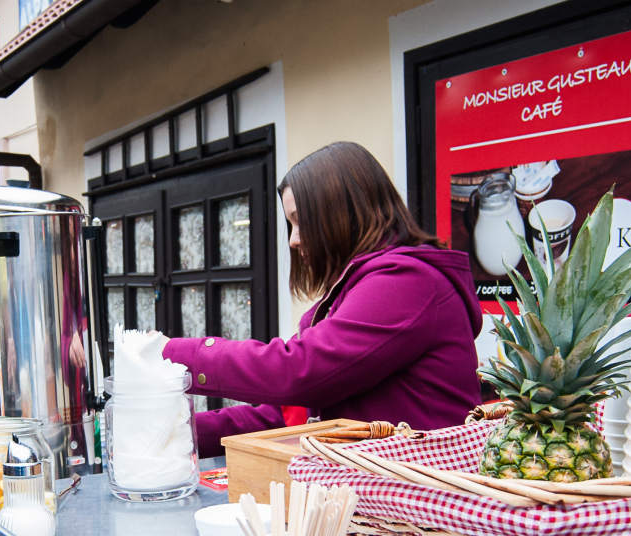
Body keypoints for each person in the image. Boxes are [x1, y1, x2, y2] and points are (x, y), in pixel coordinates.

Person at [163, 141, 483, 457]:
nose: (294, 239)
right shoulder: (361, 288)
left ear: (343, 213)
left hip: (416, 496)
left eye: (301, 221)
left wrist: (169, 355)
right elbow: (288, 415)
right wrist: (174, 433)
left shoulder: (408, 282)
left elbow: (300, 370)